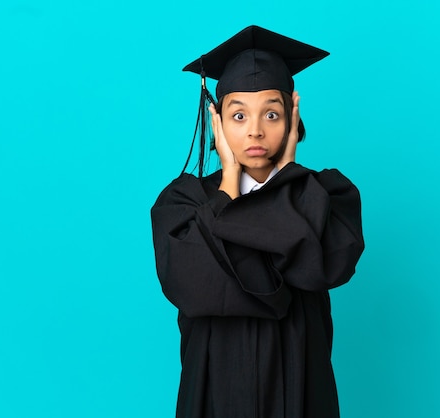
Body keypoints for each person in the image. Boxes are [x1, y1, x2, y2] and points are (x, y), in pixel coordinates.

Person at [151, 25, 365, 418]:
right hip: (213, 388)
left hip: (302, 386)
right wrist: (229, 185)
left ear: (292, 117)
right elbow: (193, 286)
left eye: (271, 113)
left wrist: (287, 180)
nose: (255, 130)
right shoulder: (182, 203)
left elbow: (323, 269)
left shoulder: (327, 196)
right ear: (216, 123)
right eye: (237, 115)